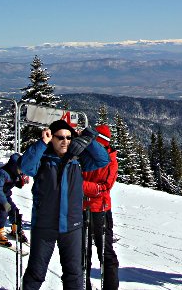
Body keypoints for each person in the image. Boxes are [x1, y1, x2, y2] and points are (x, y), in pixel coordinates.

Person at [20, 120, 109, 290]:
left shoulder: (78, 159)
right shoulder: (43, 159)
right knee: (36, 272)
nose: (65, 141)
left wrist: (88, 140)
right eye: (60, 137)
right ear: (51, 138)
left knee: (74, 274)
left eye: (69, 137)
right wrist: (42, 143)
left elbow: (102, 160)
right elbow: (26, 166)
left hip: (72, 226)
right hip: (45, 225)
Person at [81, 124, 119, 290]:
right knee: (85, 252)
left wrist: (81, 185)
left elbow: (105, 186)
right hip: (86, 209)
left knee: (103, 253)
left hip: (98, 210)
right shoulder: (90, 156)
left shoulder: (109, 160)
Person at [0, 153, 31, 246]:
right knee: (3, 211)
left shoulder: (16, 172)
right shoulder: (2, 173)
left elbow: (17, 183)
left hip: (5, 195)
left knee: (14, 211)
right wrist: (4, 203)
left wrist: (23, 180)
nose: (22, 171)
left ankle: (16, 230)